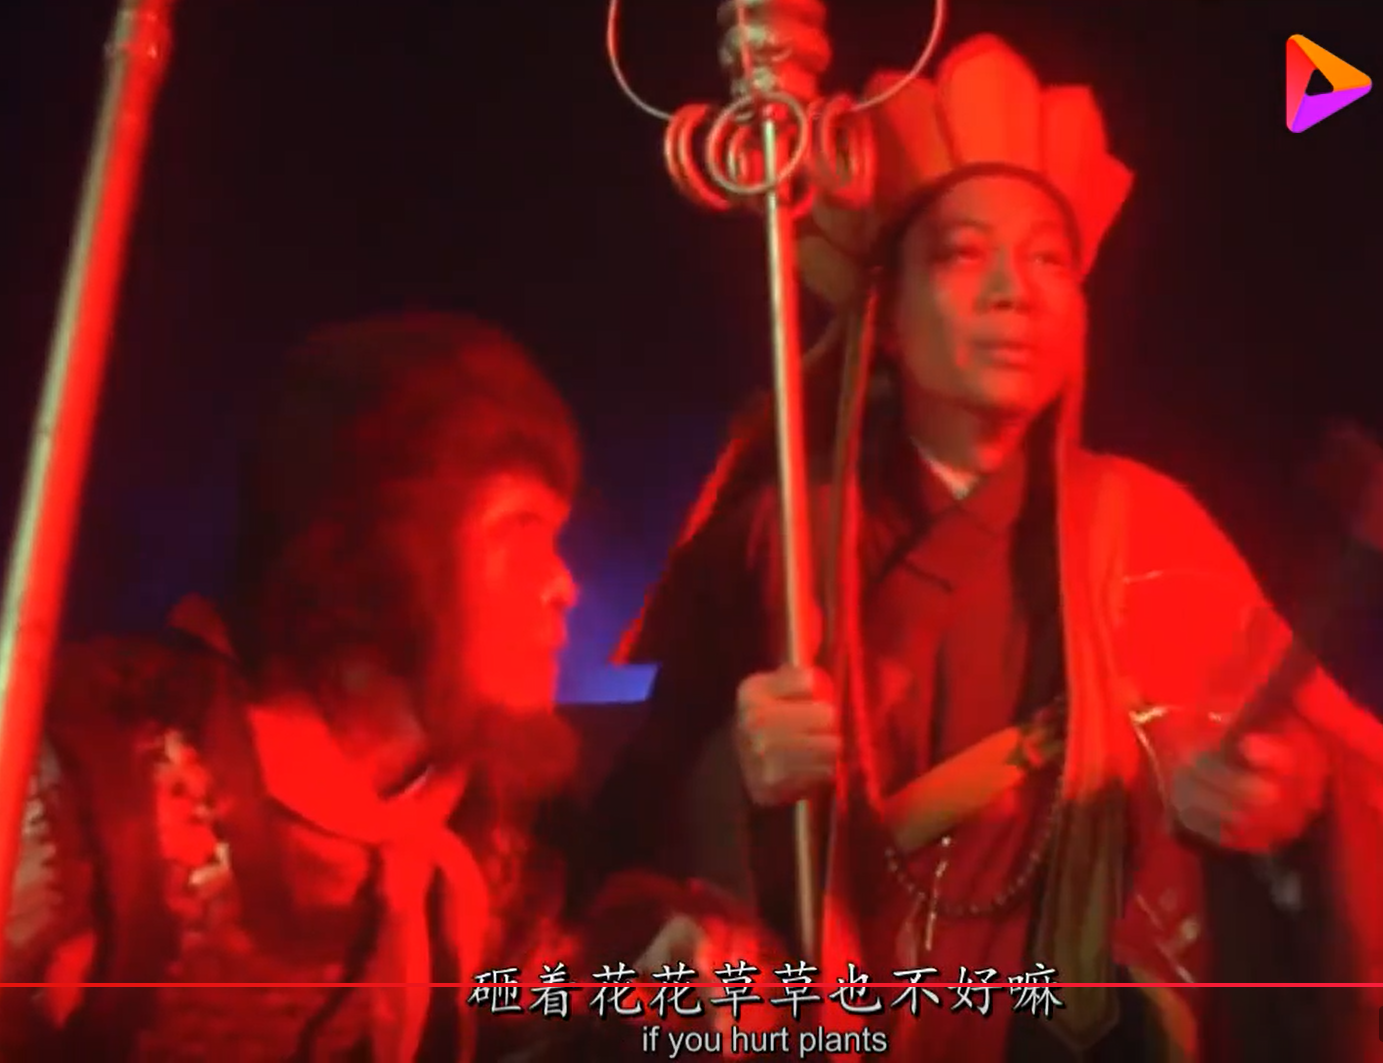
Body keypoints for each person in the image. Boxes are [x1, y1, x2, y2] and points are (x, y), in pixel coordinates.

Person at [596, 34, 1383, 1063]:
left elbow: (1337, 776)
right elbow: (630, 830)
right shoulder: (773, 537)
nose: (1014, 291)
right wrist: (735, 774)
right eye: (964, 254)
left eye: (1048, 259)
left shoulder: (1148, 525)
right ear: (885, 316)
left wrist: (1288, 807)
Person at [1, 312, 776, 1061]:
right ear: (380, 555)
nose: (562, 585)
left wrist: (661, 968)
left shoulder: (477, 832)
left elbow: (534, 992)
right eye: (518, 529)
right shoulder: (97, 787)